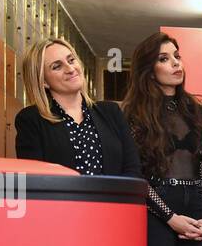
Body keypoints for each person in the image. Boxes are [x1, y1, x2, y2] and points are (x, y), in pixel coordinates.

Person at [122, 32, 202, 246]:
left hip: (195, 206)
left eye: (177, 56)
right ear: (149, 70)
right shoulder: (133, 114)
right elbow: (137, 176)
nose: (176, 64)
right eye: (165, 59)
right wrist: (170, 218)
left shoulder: (196, 111)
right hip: (157, 210)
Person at [15, 37, 141, 178]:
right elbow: (35, 178)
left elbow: (132, 170)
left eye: (71, 60)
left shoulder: (111, 112)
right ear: (43, 81)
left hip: (113, 199)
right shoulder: (31, 119)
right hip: (63, 200)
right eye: (57, 66)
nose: (70, 69)